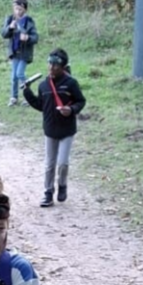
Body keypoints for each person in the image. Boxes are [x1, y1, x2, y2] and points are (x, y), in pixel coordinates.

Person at [23, 47, 86, 207]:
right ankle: (48, 193)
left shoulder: (71, 83)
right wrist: (27, 94)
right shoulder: (43, 85)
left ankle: (62, 185)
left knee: (63, 162)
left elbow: (81, 101)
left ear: (63, 67)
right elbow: (41, 105)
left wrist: (71, 110)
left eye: (55, 65)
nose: (51, 67)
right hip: (50, 130)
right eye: (50, 63)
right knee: (49, 164)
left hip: (67, 130)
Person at [1, 0, 38, 107]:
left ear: (25, 9)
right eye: (15, 8)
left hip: (25, 53)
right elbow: (4, 34)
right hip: (14, 52)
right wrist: (10, 28)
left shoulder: (29, 21)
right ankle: (14, 97)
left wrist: (27, 38)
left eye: (20, 9)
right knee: (13, 77)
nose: (17, 11)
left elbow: (35, 37)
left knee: (20, 74)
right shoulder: (10, 19)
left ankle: (28, 97)